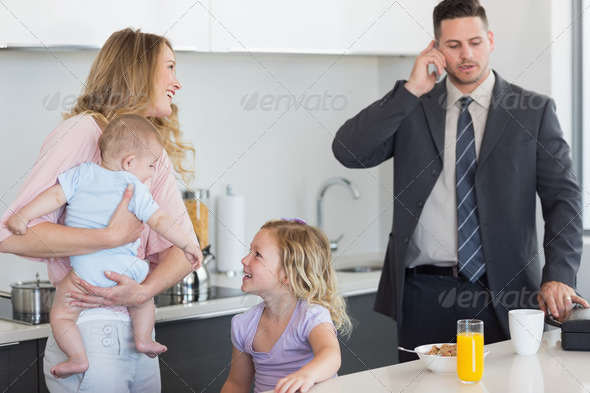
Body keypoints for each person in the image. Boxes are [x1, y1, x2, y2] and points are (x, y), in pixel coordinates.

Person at [332, 0, 588, 363]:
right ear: (436, 48)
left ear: (491, 40)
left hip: (506, 294)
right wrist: (410, 89)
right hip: (422, 293)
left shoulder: (533, 111)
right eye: (453, 45)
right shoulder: (413, 106)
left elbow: (564, 199)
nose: (466, 54)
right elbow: (348, 151)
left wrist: (559, 274)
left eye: (475, 42)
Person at [0, 28, 203, 391]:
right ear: (137, 71)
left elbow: (182, 247)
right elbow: (10, 235)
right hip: (89, 328)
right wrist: (107, 237)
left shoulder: (150, 158)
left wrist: (144, 292)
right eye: (170, 67)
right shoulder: (81, 133)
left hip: (138, 331)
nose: (178, 82)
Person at [220, 219, 352, 393]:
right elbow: (236, 385)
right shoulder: (244, 325)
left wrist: (308, 375)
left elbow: (331, 354)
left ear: (287, 274)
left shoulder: (311, 316)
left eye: (257, 254)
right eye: (249, 251)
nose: (244, 260)